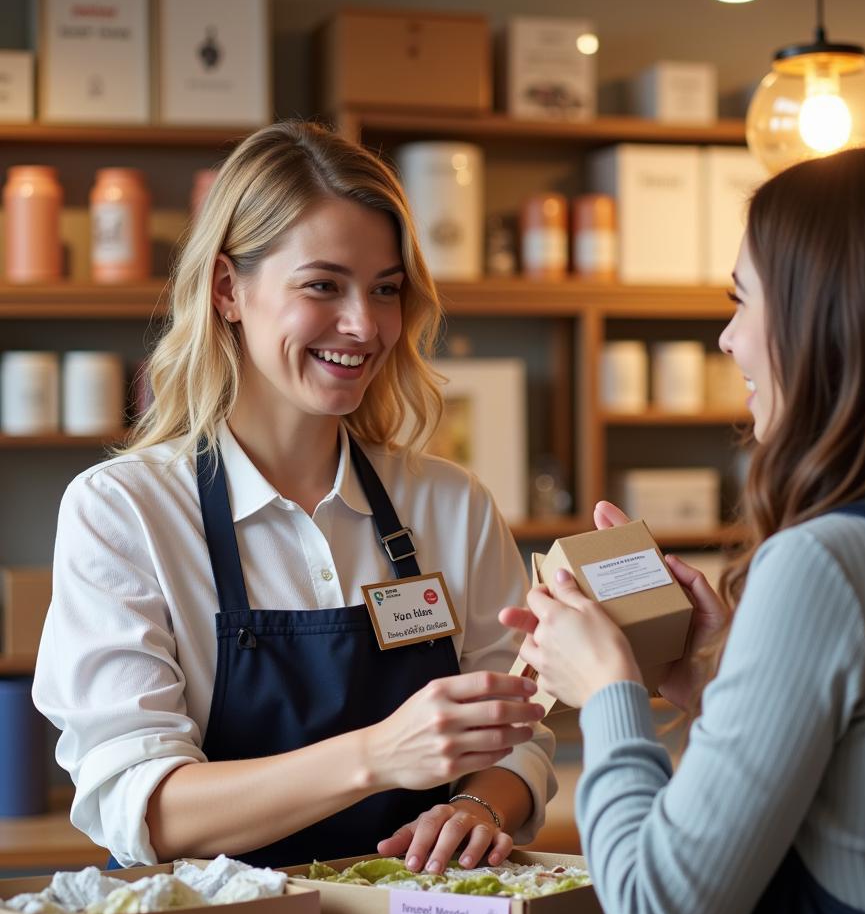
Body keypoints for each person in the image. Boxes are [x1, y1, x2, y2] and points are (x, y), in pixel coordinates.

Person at [501, 147, 865, 914]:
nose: (727, 337)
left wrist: (608, 691)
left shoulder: (827, 564)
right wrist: (713, 674)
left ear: (835, 322)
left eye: (743, 301)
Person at [33, 120, 555, 872]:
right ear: (227, 290)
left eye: (385, 290)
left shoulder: (451, 504)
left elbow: (519, 734)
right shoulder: (125, 511)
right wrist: (377, 755)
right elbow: (143, 805)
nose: (364, 325)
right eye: (323, 285)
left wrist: (476, 805)